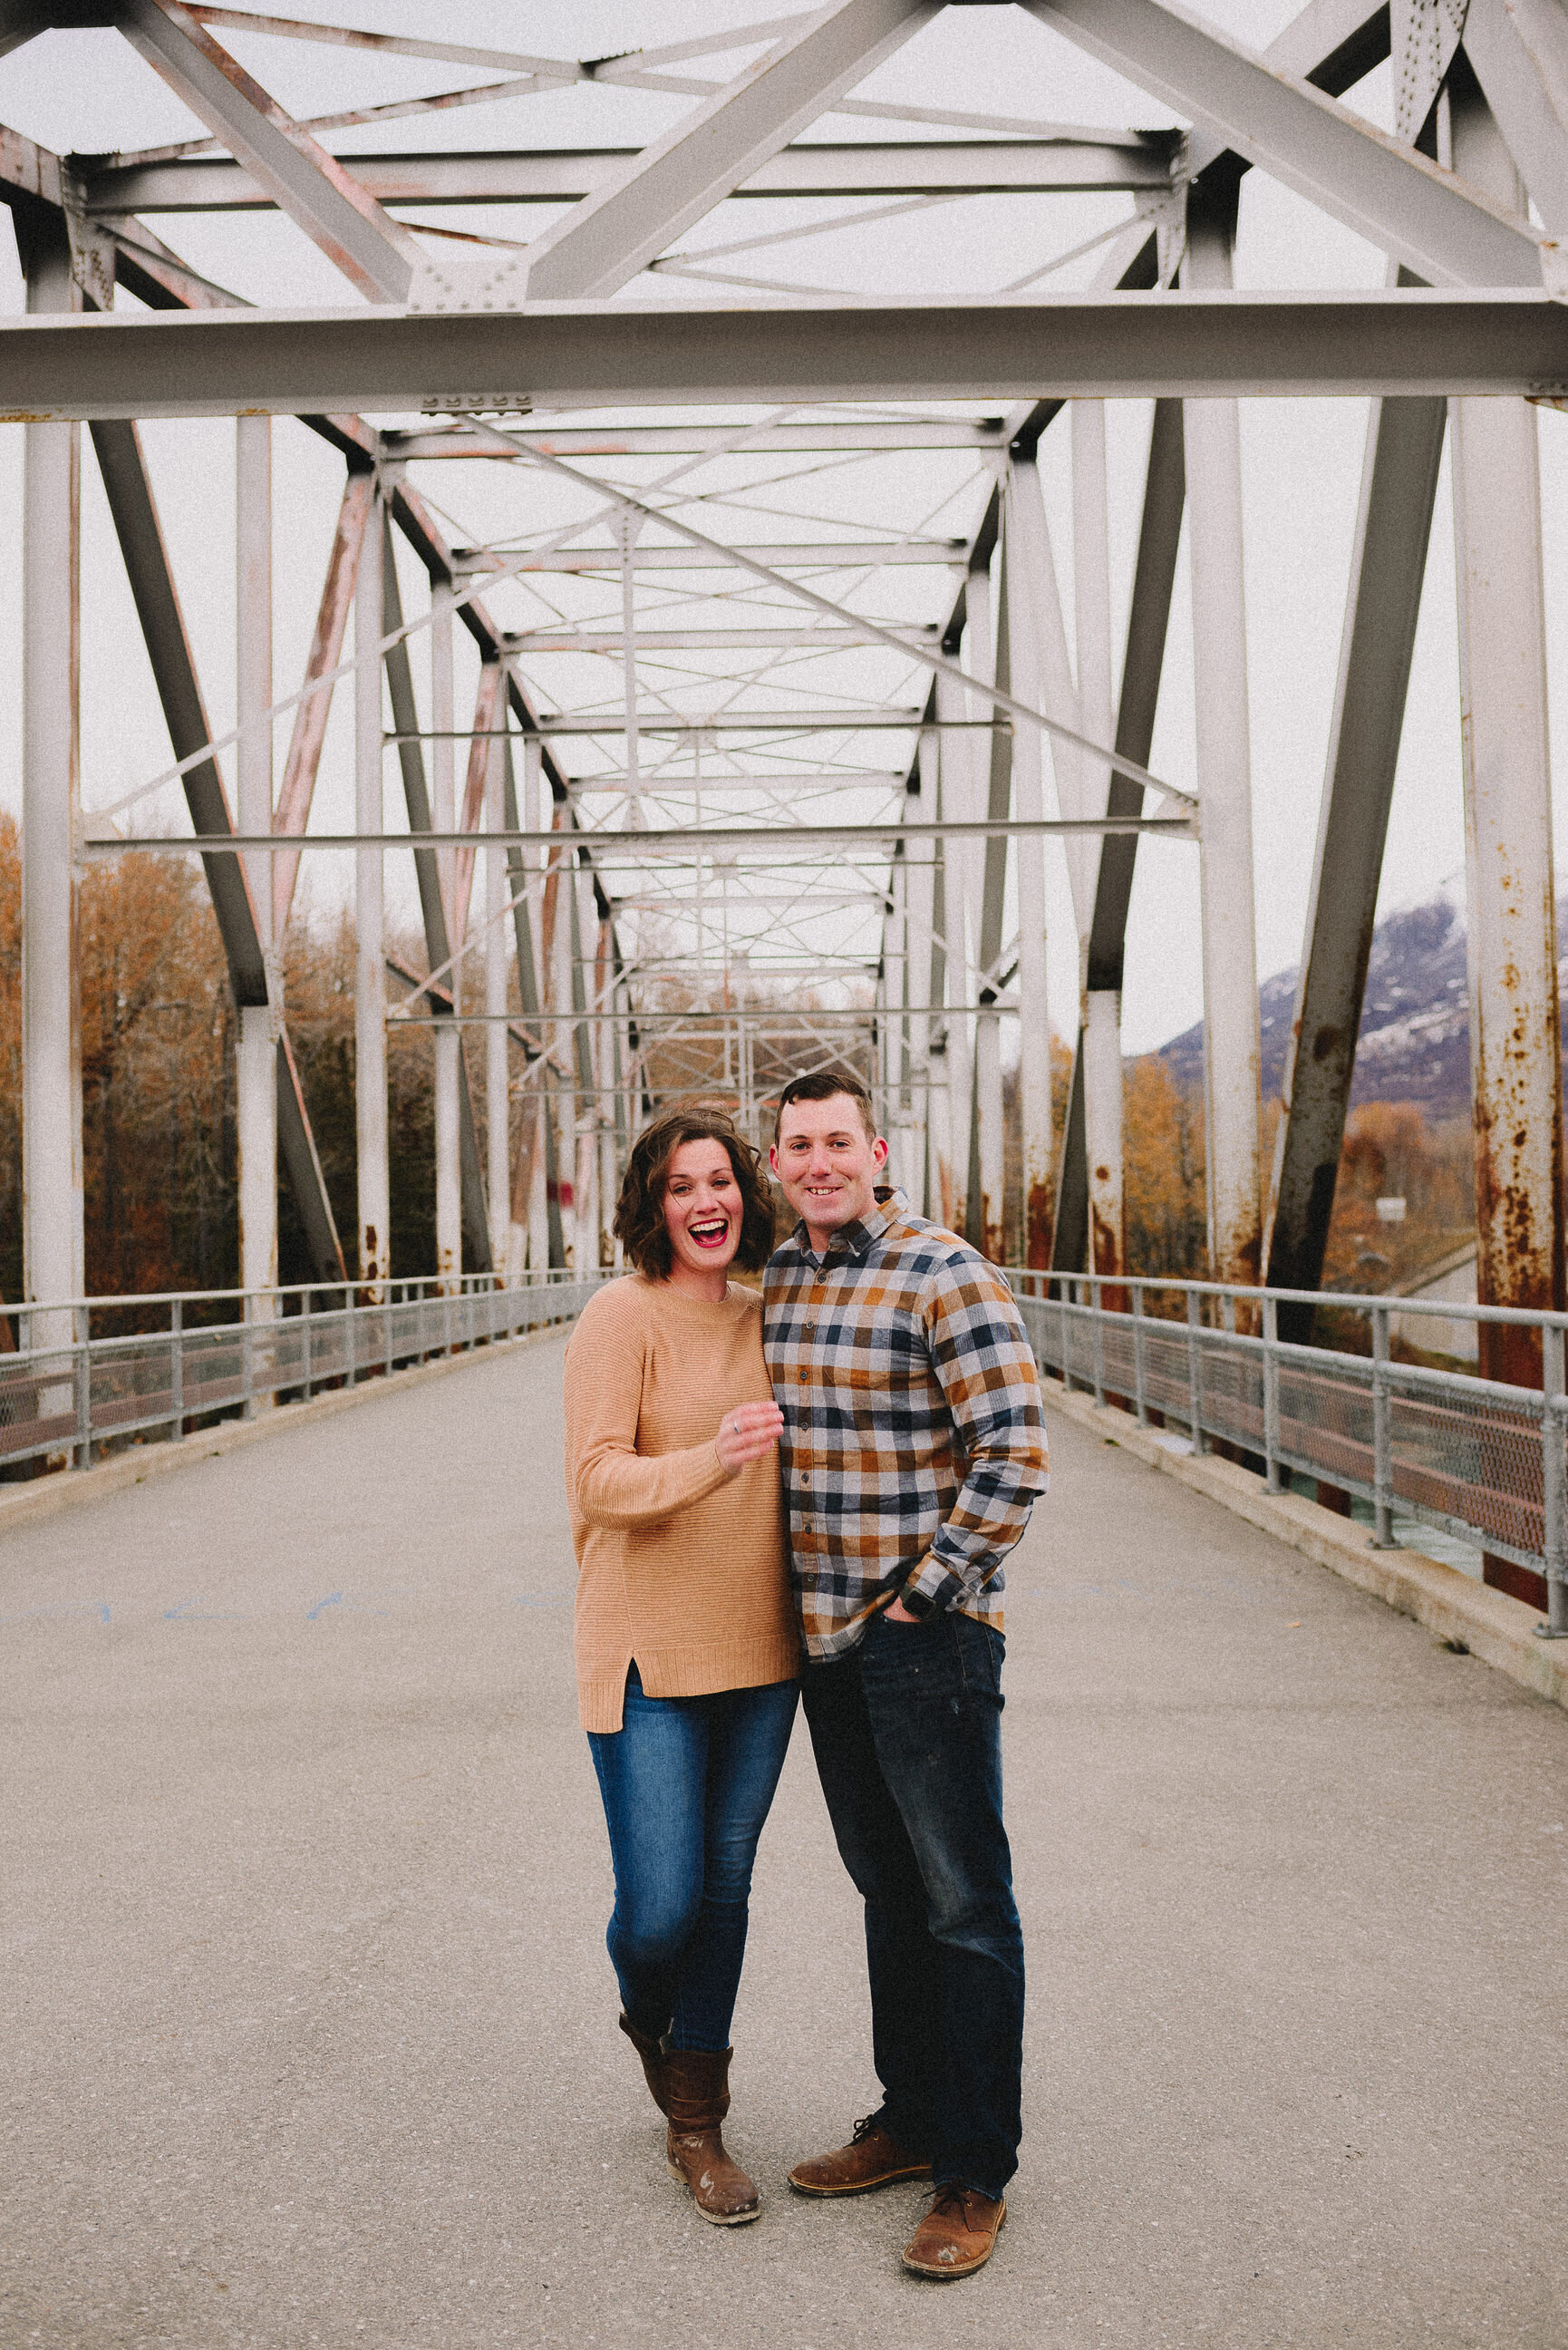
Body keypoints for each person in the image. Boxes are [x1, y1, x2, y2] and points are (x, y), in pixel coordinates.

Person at [763, 1069, 1048, 2281]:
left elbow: (1015, 1454)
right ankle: (908, 2115)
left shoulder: (941, 1270)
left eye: (838, 1142)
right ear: (777, 1165)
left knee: (962, 1903)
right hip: (821, 1639)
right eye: (797, 1147)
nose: (819, 1162)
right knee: (887, 1890)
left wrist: (921, 1597)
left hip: (924, 1638)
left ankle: (973, 2172)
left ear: (877, 1152)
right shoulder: (776, 1281)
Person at [563, 1102, 799, 2226]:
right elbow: (596, 1482)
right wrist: (711, 1459)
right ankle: (645, 2011)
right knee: (660, 1907)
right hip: (649, 1647)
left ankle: (695, 2121)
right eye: (679, 1185)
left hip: (762, 1647)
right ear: (651, 1205)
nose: (705, 1202)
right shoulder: (623, 1316)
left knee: (727, 1885)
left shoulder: (773, 1312)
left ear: (745, 1196)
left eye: (721, 1181)